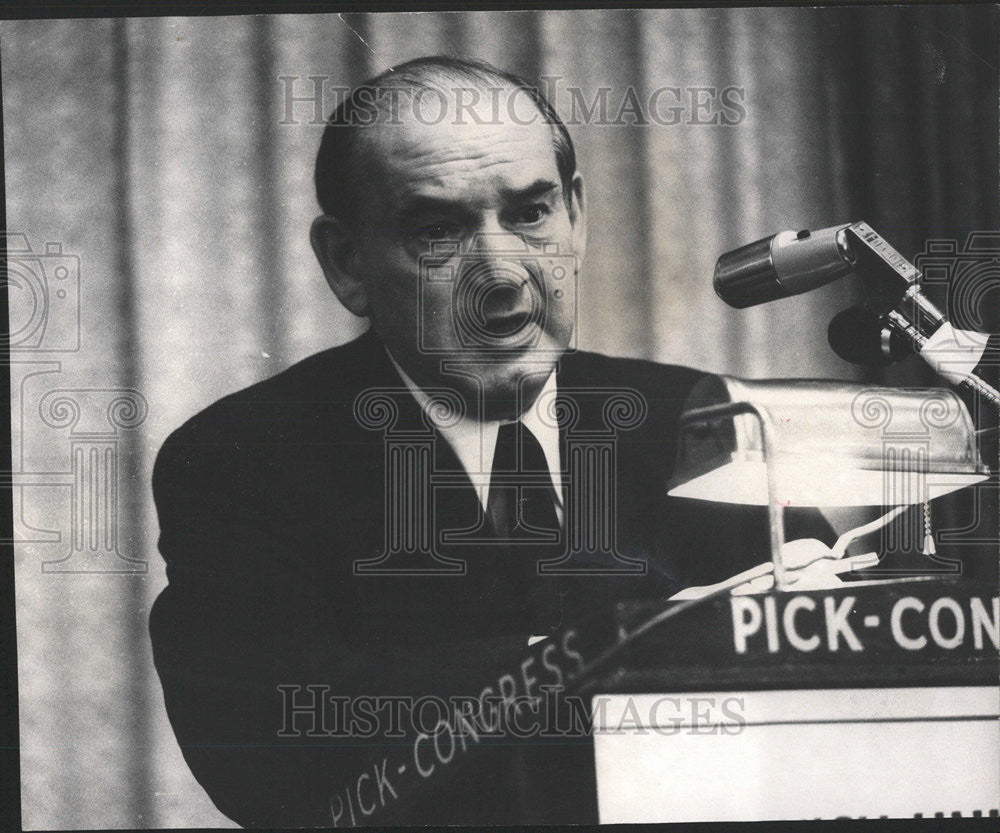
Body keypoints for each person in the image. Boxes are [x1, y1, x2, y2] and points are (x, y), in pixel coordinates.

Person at [148, 56, 812, 827]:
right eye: (438, 229)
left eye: (530, 214)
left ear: (577, 214)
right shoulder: (245, 456)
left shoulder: (705, 419)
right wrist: (612, 655)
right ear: (347, 261)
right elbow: (267, 744)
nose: (500, 275)